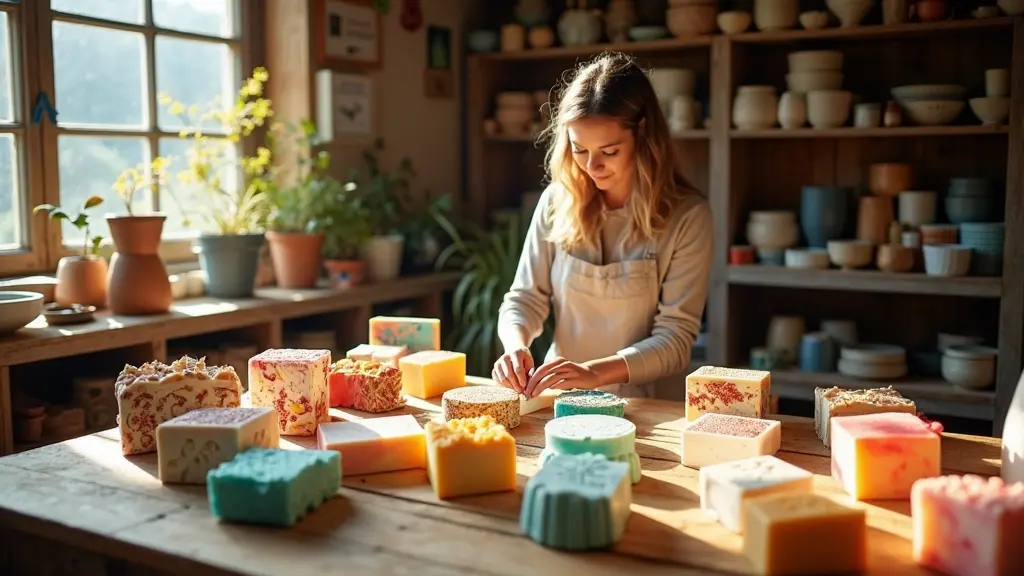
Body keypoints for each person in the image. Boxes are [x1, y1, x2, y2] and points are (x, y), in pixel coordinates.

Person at [493, 51, 713, 400]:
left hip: (647, 407)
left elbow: (676, 339)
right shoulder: (556, 201)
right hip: (560, 399)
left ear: (643, 135)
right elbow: (525, 298)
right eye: (579, 150)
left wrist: (593, 372)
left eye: (609, 152)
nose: (592, 166)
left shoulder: (688, 217)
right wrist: (514, 345)